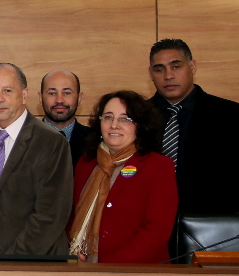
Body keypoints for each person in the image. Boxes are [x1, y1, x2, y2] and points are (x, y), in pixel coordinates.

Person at [148, 39, 239, 214]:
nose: (168, 76)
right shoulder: (135, 118)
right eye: (159, 69)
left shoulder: (233, 116)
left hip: (215, 227)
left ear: (193, 67)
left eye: (176, 67)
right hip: (149, 225)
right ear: (151, 74)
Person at [0, 62, 74, 258]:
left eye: (7, 90)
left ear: (24, 95)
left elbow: (50, 216)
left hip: (26, 262)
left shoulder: (51, 142)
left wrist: (11, 261)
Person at [68, 90, 178, 263]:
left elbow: (156, 231)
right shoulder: (87, 162)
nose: (114, 125)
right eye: (108, 117)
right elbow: (72, 214)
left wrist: (110, 266)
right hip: (83, 269)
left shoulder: (158, 166)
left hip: (137, 275)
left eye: (125, 119)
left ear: (140, 125)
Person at [41, 68, 93, 160]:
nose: (59, 100)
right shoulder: (21, 139)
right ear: (40, 98)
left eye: (67, 93)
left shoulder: (95, 140)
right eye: (52, 93)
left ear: (79, 98)